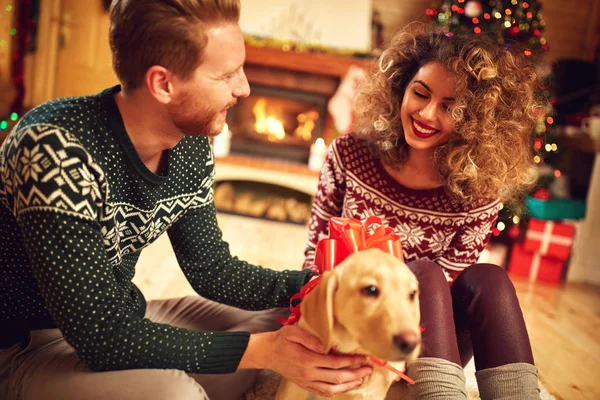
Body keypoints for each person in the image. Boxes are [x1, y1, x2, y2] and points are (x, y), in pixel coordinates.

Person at [0, 1, 374, 399]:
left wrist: (322, 285)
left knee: (290, 317)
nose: (244, 88)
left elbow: (212, 269)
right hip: (27, 348)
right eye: (227, 75)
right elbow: (101, 335)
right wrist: (265, 353)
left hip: (125, 320)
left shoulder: (189, 144)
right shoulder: (55, 149)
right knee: (175, 394)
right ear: (163, 83)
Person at [304, 23, 546, 400]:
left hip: (423, 347)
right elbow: (315, 254)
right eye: (420, 93)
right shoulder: (348, 155)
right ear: (400, 89)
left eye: (450, 108)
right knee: (423, 272)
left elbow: (452, 288)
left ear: (475, 122)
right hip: (355, 331)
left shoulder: (478, 195)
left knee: (489, 278)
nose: (427, 114)